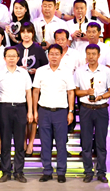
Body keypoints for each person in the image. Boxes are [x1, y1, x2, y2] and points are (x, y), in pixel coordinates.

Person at [32, 44, 76, 183]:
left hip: (61, 112)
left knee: (61, 143)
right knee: (45, 143)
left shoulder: (66, 72)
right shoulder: (41, 71)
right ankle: (47, 171)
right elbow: (35, 92)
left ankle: (61, 172)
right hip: (44, 111)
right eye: (51, 54)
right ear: (48, 55)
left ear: (61, 55)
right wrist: (35, 111)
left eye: (57, 54)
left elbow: (71, 92)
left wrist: (71, 111)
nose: (54, 57)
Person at [74, 44, 110, 183]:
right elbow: (76, 91)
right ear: (86, 55)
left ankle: (101, 172)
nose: (91, 57)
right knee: (86, 142)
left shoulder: (106, 71)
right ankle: (88, 172)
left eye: (94, 54)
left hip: (101, 109)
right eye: (89, 54)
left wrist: (101, 96)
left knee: (101, 142)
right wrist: (87, 92)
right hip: (85, 109)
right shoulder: (79, 71)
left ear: (99, 55)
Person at [0, 46, 33, 183]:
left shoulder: (24, 73)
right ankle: (6, 171)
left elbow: (29, 93)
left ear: (18, 58)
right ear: (4, 58)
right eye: (8, 56)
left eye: (14, 56)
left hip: (20, 108)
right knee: (5, 142)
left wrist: (30, 111)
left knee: (19, 142)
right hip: (4, 108)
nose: (11, 58)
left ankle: (19, 172)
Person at [14, 23, 47, 155]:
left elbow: (45, 67)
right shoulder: (16, 48)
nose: (26, 35)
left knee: (33, 115)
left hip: (35, 87)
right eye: (23, 32)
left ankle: (31, 142)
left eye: (29, 32)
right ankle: (23, 141)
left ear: (33, 33)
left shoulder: (38, 49)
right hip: (19, 87)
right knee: (23, 116)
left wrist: (36, 71)